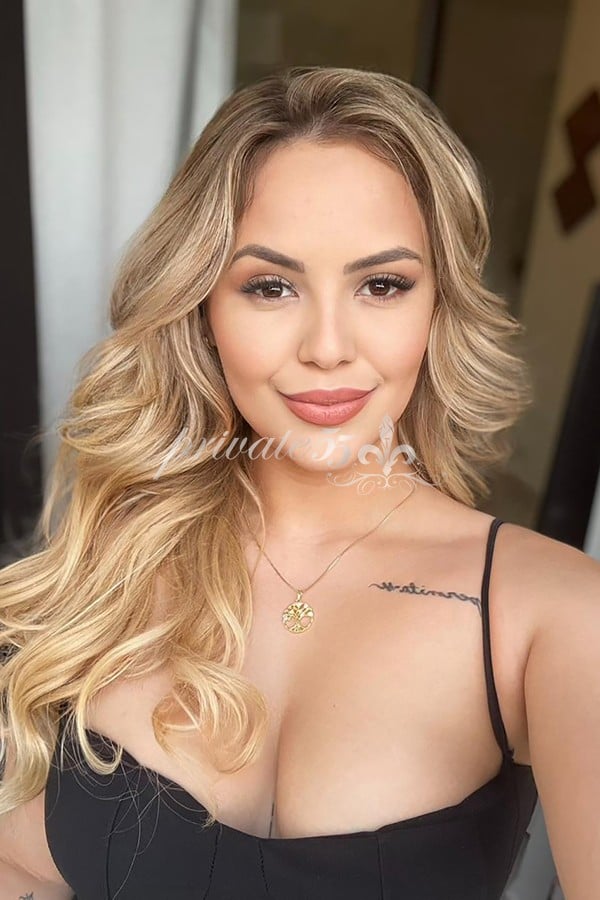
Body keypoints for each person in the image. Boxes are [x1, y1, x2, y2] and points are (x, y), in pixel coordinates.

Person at [0, 65, 599, 900]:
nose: (327, 347)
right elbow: (26, 863)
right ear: (203, 308)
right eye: (271, 286)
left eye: (381, 285)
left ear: (438, 308)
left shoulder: (551, 616)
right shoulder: (120, 552)